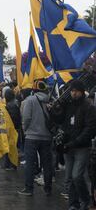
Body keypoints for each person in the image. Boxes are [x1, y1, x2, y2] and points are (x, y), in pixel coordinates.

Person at [51, 80, 96, 210]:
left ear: (81, 92)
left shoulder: (89, 107)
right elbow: (60, 121)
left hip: (81, 147)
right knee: (70, 178)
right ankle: (73, 204)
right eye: (72, 91)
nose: (73, 93)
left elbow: (89, 129)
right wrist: (54, 110)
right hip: (68, 147)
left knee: (77, 176)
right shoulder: (68, 106)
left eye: (76, 91)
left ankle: (86, 199)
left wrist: (74, 142)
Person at [18, 80, 53, 196]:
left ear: (34, 90)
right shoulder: (50, 100)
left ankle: (29, 188)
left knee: (30, 163)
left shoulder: (30, 100)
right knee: (47, 163)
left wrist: (26, 130)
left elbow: (26, 118)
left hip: (32, 137)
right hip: (47, 137)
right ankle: (48, 188)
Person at [4, 88, 21, 170]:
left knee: (10, 147)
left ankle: (10, 164)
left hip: (12, 129)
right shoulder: (16, 102)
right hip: (16, 128)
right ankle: (13, 163)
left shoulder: (10, 105)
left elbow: (12, 118)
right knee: (13, 147)